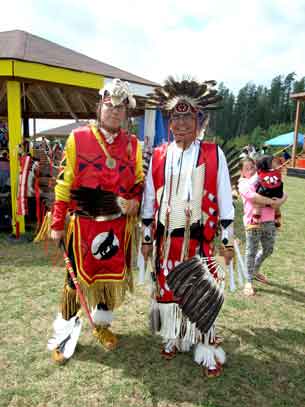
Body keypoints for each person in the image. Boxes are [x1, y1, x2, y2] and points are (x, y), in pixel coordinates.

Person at [141, 77, 234, 377]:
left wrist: (228, 238)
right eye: (176, 116)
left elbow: (224, 199)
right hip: (167, 240)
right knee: (167, 290)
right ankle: (174, 335)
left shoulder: (212, 154)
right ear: (169, 122)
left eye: (187, 116)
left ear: (199, 120)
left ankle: (205, 347)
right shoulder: (158, 156)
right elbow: (149, 200)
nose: (181, 123)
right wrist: (146, 237)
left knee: (201, 292)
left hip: (199, 239)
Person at [48, 79, 144, 363]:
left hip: (117, 226)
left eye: (120, 107)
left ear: (126, 113)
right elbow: (64, 184)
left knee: (107, 280)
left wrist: (135, 202)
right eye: (109, 105)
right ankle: (64, 335)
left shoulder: (133, 145)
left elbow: (139, 182)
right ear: (99, 107)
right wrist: (56, 223)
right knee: (74, 281)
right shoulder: (78, 138)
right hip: (84, 226)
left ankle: (102, 326)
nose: (114, 111)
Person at [238, 158, 287, 296]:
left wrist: (280, 201)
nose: (252, 171)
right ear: (241, 172)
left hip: (269, 221)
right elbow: (253, 197)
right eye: (247, 169)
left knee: (268, 249)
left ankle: (254, 270)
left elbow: (284, 194)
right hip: (253, 223)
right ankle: (248, 281)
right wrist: (272, 202)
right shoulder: (243, 183)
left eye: (253, 167)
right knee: (251, 251)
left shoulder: (266, 179)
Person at [249, 155, 284, 228]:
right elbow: (280, 181)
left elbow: (251, 182)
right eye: (273, 162)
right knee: (276, 206)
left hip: (265, 193)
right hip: (277, 192)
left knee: (257, 206)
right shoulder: (276, 172)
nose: (275, 163)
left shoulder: (260, 173)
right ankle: (277, 220)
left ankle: (255, 222)